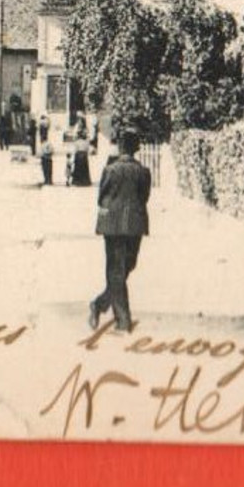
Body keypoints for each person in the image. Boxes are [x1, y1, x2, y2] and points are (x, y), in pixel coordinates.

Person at [89, 127, 151, 332]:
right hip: (133, 224)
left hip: (113, 224)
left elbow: (101, 197)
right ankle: (123, 321)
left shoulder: (110, 170)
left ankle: (99, 304)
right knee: (125, 268)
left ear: (121, 146)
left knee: (118, 271)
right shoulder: (143, 172)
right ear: (136, 148)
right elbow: (144, 198)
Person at [68, 114, 93, 187]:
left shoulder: (85, 129)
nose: (80, 122)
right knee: (81, 167)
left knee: (80, 167)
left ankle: (81, 181)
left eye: (81, 120)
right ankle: (81, 181)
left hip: (80, 151)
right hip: (81, 151)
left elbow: (88, 137)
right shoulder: (77, 127)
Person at [36, 115, 54, 186]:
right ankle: (49, 180)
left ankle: (47, 180)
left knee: (45, 169)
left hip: (45, 157)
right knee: (48, 169)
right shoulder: (46, 122)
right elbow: (48, 126)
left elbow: (39, 127)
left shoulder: (41, 122)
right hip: (48, 157)